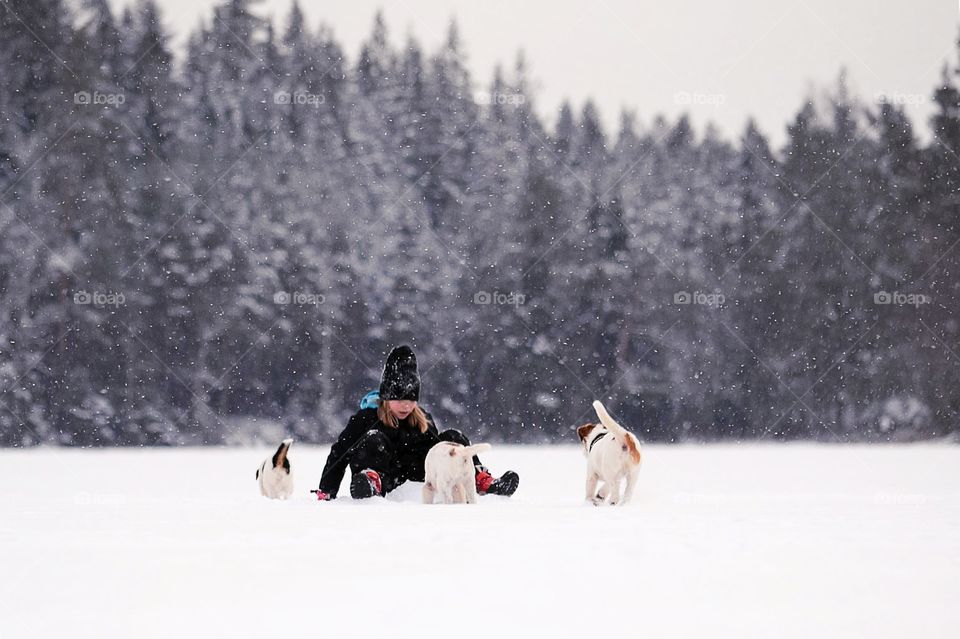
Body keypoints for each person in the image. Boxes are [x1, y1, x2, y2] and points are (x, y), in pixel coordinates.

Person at [314, 345, 519, 500]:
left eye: (411, 400)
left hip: (417, 476)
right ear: (386, 397)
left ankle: (478, 479)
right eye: (399, 400)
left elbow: (440, 453)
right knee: (373, 439)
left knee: (452, 439)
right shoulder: (366, 418)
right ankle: (370, 481)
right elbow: (339, 454)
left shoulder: (422, 420)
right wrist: (326, 491)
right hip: (385, 478)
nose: (406, 406)